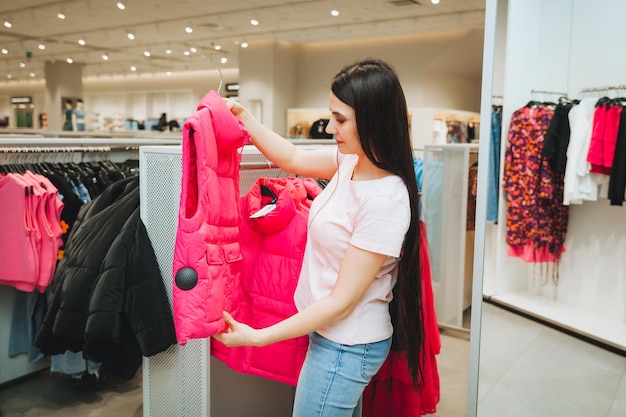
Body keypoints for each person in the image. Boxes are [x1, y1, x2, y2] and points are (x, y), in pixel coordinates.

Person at [215, 58, 424, 417]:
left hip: (347, 344)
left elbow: (341, 302)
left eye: (340, 119)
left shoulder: (385, 200)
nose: (330, 127)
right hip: (333, 336)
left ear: (373, 119)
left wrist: (258, 335)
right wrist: (244, 117)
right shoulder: (351, 163)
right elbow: (292, 157)